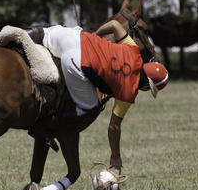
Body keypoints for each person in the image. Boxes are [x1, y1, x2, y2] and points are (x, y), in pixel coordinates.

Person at [27, 21, 168, 168]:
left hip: (73, 36)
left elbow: (114, 24)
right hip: (75, 60)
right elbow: (114, 127)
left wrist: (95, 36)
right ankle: (45, 126)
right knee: (91, 107)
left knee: (41, 33)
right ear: (147, 84)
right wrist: (115, 156)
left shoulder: (133, 49)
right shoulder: (128, 93)